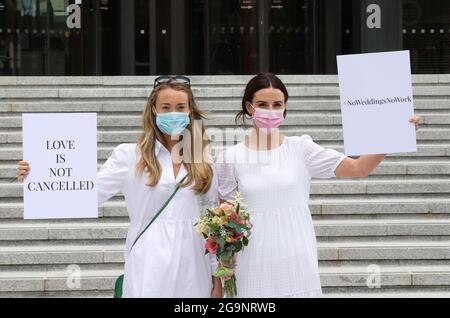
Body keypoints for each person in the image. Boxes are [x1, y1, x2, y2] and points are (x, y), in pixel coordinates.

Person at [215, 72, 421, 298]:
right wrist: (225, 264)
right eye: (263, 104)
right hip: (251, 258)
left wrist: (396, 133)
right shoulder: (230, 157)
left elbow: (358, 168)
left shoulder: (301, 148)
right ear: (249, 107)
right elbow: (224, 220)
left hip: (296, 254)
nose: (271, 110)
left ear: (285, 107)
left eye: (277, 104)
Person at [18, 75, 223, 298]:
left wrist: (217, 275)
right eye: (166, 107)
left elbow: (211, 222)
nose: (173, 112)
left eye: (180, 107)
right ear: (154, 110)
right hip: (149, 258)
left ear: (190, 111)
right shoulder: (129, 155)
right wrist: (37, 175)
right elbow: (89, 193)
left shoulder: (203, 160)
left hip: (194, 261)